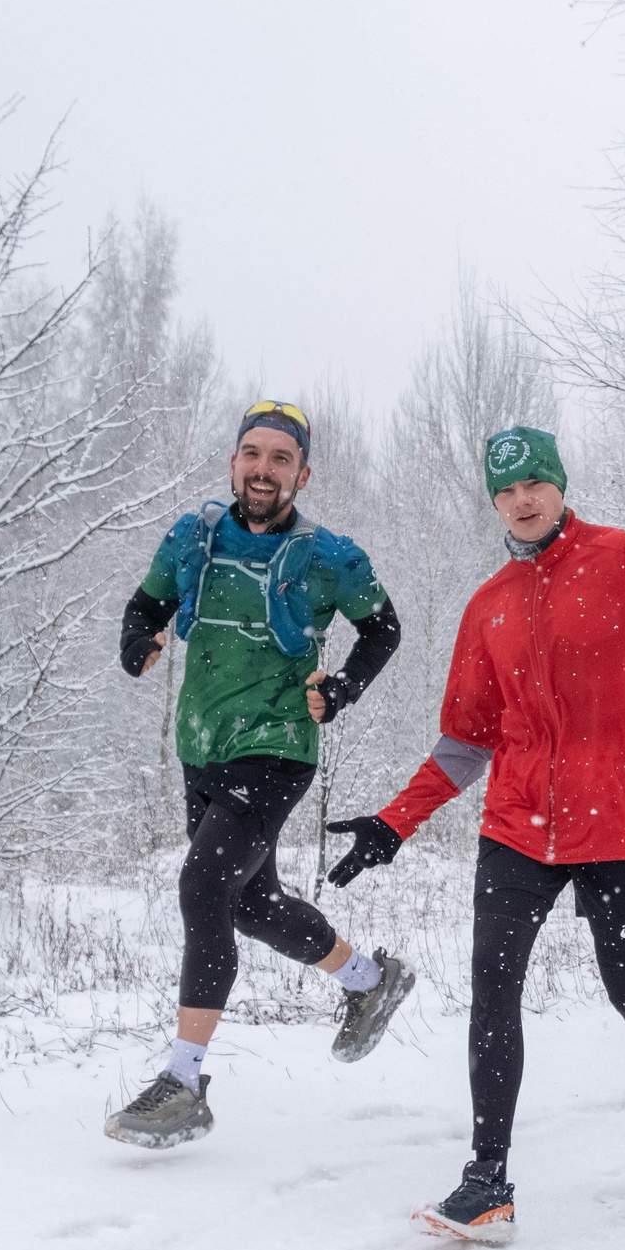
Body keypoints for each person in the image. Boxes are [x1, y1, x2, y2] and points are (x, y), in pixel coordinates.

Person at [325, 427, 625, 1242]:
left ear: (560, 484)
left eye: (534, 482)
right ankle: (486, 1179)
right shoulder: (489, 604)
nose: (522, 500)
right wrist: (395, 822)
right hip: (518, 827)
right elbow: (467, 742)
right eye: (505, 490)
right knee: (493, 988)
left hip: (624, 822)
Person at [105, 400, 416, 1148]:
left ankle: (184, 1084)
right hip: (202, 745)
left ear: (302, 475)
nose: (263, 469)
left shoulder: (329, 556)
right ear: (234, 462)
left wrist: (341, 687)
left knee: (202, 886)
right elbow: (145, 606)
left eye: (281, 459)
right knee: (250, 904)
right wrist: (135, 641)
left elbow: (383, 627)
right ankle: (371, 981)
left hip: (277, 748)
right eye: (253, 454)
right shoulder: (193, 538)